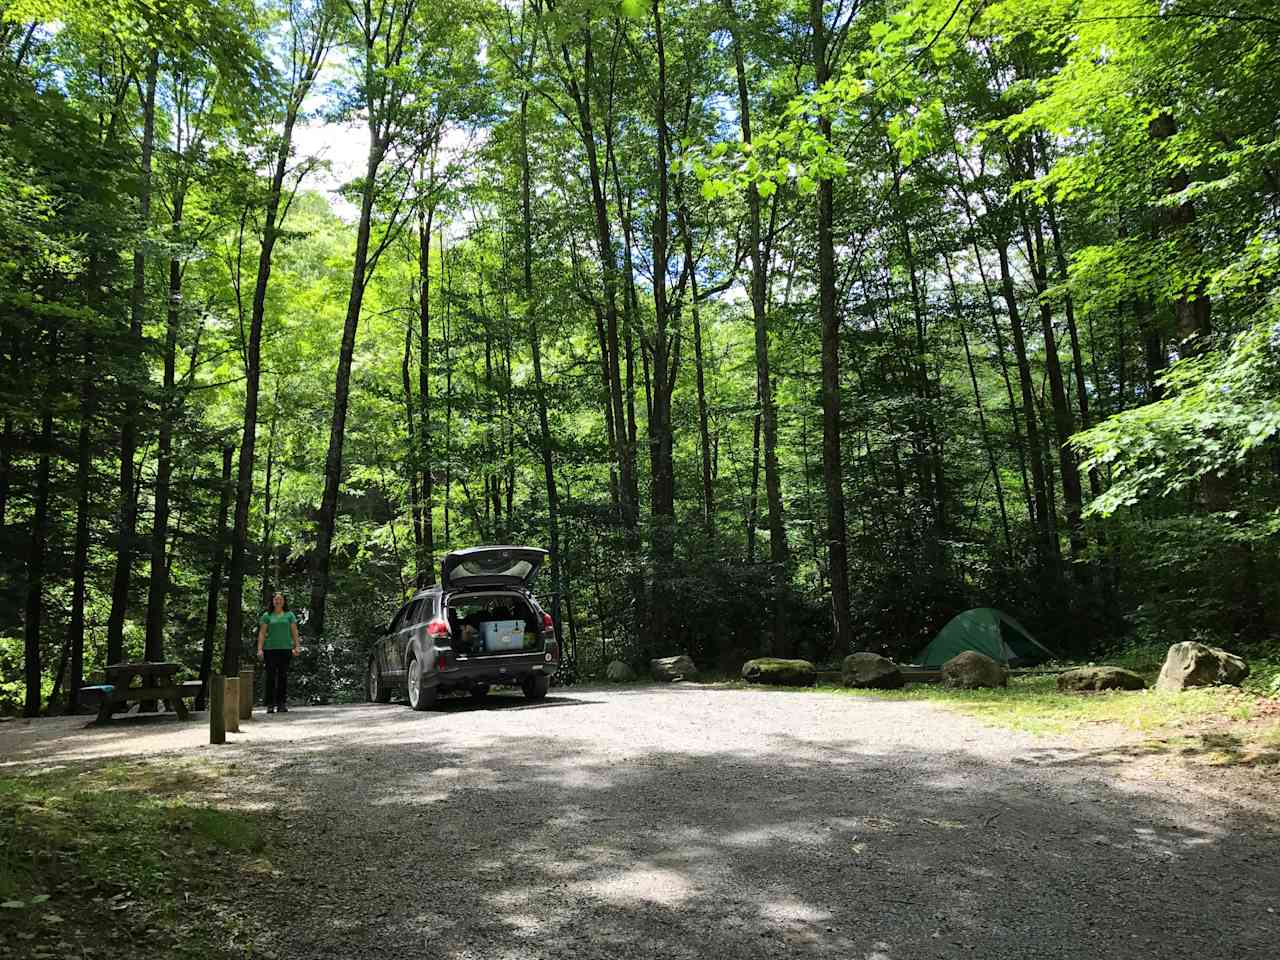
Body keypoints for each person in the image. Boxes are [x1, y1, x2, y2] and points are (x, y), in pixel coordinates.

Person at [257, 592, 299, 713]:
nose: (278, 601)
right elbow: (262, 633)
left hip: (286, 649)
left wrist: (297, 646)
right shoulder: (267, 615)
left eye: (280, 599)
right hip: (270, 649)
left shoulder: (289, 615)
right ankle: (270, 704)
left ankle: (281, 703)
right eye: (276, 599)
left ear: (284, 601)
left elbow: (294, 632)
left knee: (283, 676)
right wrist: (260, 649)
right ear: (272, 601)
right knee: (270, 676)